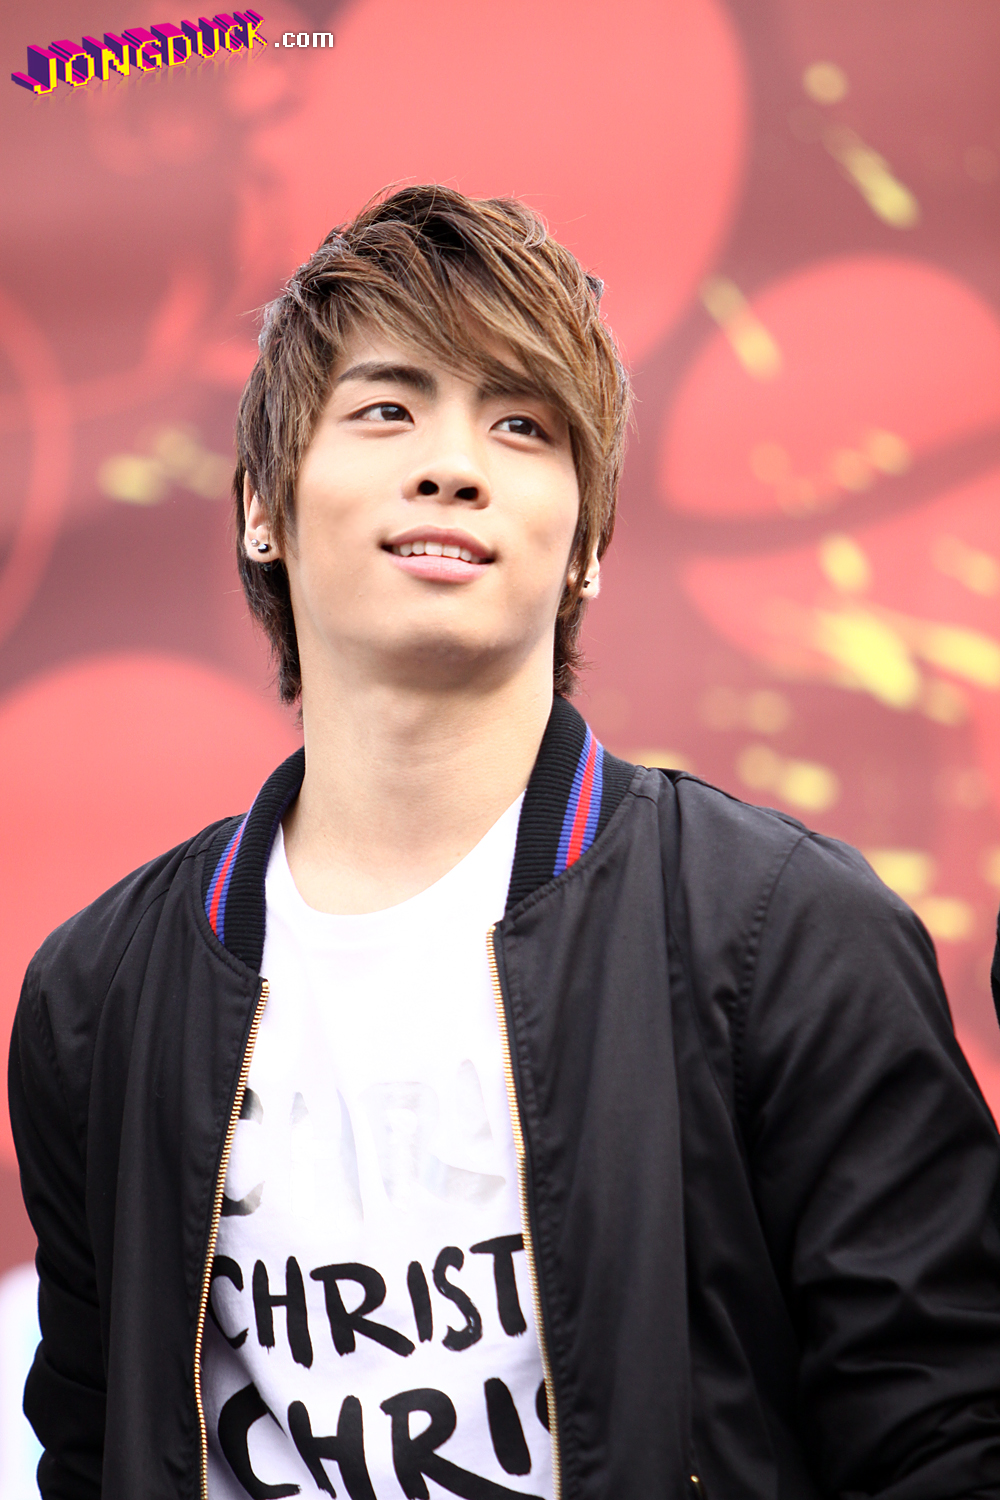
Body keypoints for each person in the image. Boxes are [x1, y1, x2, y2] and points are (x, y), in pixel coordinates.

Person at [9, 184, 1000, 1500]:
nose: (454, 465)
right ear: (261, 509)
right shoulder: (99, 997)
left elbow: (939, 1439)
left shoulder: (785, 937)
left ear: (587, 544)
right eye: (387, 408)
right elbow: (94, 1451)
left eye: (521, 423)